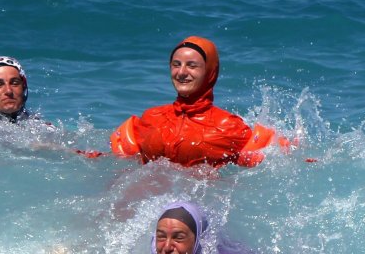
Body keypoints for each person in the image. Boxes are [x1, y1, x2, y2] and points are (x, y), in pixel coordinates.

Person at [111, 36, 288, 168]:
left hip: (199, 202)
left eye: (192, 65)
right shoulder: (152, 117)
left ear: (210, 72)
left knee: (171, 220)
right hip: (152, 197)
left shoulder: (228, 126)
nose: (181, 72)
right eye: (176, 64)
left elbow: (269, 157)